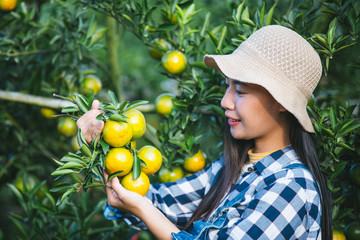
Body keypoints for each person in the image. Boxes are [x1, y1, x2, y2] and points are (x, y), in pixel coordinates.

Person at [77, 25, 332, 239]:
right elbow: (156, 201)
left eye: (240, 91)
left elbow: (146, 207)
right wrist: (104, 145)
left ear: (281, 102)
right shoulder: (232, 168)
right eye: (227, 86)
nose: (225, 101)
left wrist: (143, 209)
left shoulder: (292, 187)